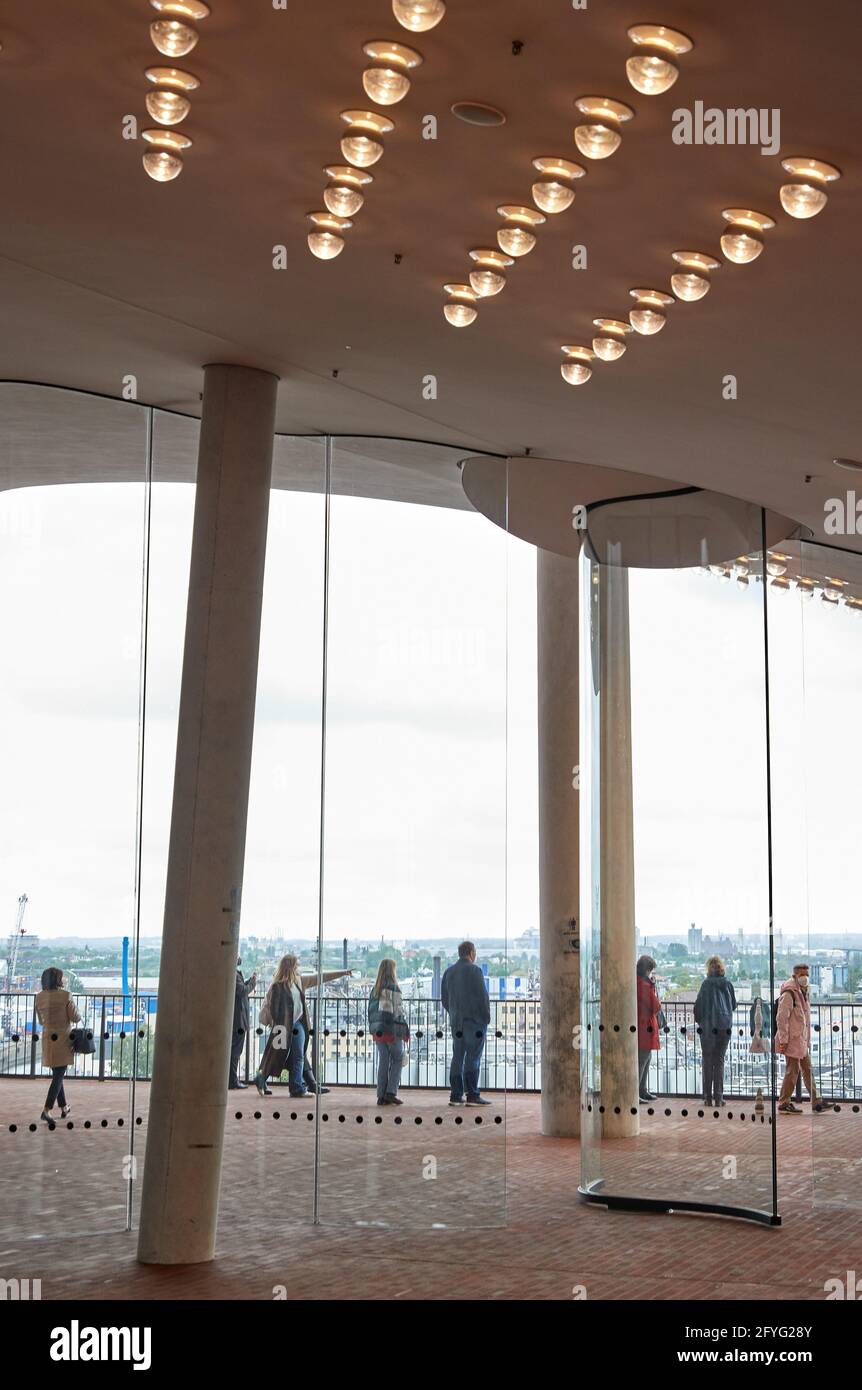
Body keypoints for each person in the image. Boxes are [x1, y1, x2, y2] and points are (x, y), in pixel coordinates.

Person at [254, 954, 350, 1097]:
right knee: (277, 1055)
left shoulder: (297, 981)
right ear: (290, 967)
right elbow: (273, 1008)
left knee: (297, 1055)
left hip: (297, 1024)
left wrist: (343, 972)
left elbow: (320, 977)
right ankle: (266, 1080)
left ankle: (296, 1088)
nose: (298, 967)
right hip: (283, 1027)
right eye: (296, 965)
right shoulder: (277, 986)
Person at [776, 962, 832, 1115]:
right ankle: (784, 1103)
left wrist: (806, 1040)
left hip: (800, 1040)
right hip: (791, 1040)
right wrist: (783, 1040)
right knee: (792, 1071)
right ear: (795, 976)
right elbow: (781, 1019)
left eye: (807, 974)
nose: (805, 977)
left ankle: (816, 1102)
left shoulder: (803, 992)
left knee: (807, 1070)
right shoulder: (789, 993)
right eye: (802, 975)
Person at [441, 941, 491, 1107]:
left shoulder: (449, 972)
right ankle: (472, 1095)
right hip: (474, 1021)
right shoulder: (475, 971)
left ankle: (456, 1095)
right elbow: (483, 997)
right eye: (475, 952)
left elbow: (444, 999)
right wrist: (486, 1018)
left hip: (456, 1022)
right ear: (471, 952)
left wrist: (453, 1013)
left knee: (457, 1057)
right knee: (473, 1057)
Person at [34, 966, 81, 1122]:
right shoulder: (66, 996)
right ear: (59, 980)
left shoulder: (39, 997)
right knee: (59, 1075)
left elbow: (41, 1021)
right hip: (63, 1039)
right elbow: (75, 1018)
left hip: (48, 1039)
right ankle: (46, 1109)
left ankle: (64, 1107)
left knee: (57, 1074)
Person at [693, 955, 737, 1106]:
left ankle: (707, 1097)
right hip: (724, 1027)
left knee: (707, 1060)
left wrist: (701, 1021)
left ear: (708, 969)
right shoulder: (728, 984)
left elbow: (698, 1007)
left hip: (708, 1028)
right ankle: (719, 1097)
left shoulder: (706, 985)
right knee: (719, 1061)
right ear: (721, 968)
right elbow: (733, 1005)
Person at [368, 958, 410, 1106]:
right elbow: (398, 1013)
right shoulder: (393, 988)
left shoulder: (375, 990)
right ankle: (391, 1092)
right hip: (391, 1031)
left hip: (378, 1031)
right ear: (393, 971)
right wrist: (405, 1032)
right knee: (397, 1058)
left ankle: (381, 1095)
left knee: (384, 1060)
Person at [636, 955, 661, 1102]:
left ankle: (642, 1090)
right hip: (645, 1027)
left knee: (646, 1058)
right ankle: (638, 1092)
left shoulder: (638, 983)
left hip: (641, 1026)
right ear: (647, 970)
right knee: (642, 1060)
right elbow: (656, 1006)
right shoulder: (644, 985)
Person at [229, 957, 257, 1090]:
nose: (239, 958)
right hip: (238, 1021)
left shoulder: (232, 973)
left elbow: (240, 988)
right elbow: (242, 991)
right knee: (235, 1051)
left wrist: (248, 982)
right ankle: (233, 1081)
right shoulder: (233, 974)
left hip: (237, 1020)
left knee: (233, 1051)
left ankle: (231, 1080)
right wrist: (252, 983)